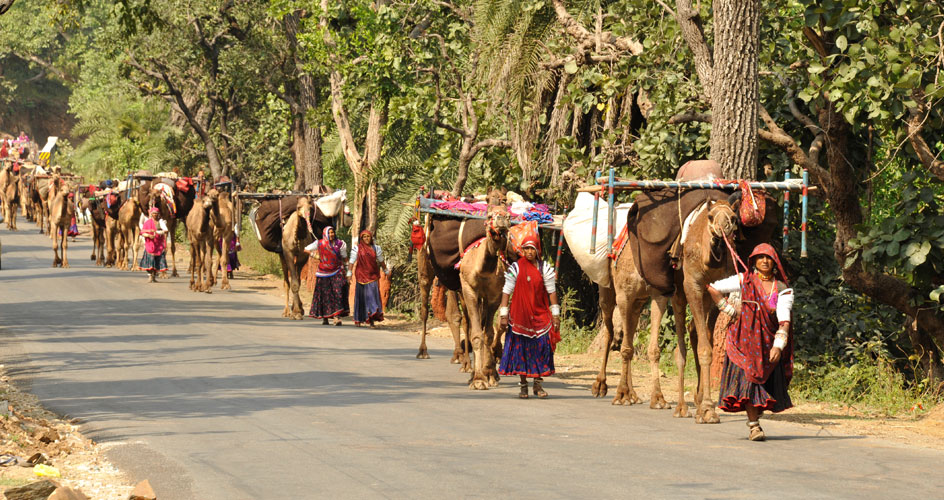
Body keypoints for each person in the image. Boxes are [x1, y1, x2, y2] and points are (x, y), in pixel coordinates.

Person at [707, 243, 794, 441]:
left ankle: (755, 414)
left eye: (768, 257)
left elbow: (784, 322)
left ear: (774, 262)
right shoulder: (743, 280)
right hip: (742, 343)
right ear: (753, 261)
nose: (764, 261)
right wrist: (729, 310)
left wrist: (778, 346)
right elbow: (713, 288)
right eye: (760, 257)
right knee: (748, 384)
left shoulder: (782, 289)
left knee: (761, 386)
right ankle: (754, 426)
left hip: (767, 346)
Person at [498, 232, 561, 399]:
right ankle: (524, 386)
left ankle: (538, 385)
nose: (529, 252)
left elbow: (552, 292)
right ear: (522, 251)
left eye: (532, 249)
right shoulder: (515, 268)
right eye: (526, 249)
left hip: (540, 317)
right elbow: (506, 291)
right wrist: (504, 315)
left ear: (537, 251)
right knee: (522, 353)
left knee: (541, 350)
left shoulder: (544, 268)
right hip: (519, 318)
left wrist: (555, 315)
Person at [307, 226, 349, 325]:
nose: (331, 234)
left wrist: (348, 271)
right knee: (325, 296)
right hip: (323, 273)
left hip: (337, 271)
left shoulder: (340, 244)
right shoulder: (319, 243)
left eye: (332, 232)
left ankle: (336, 317)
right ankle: (325, 318)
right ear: (325, 233)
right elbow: (306, 249)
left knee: (338, 293)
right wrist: (316, 256)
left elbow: (345, 258)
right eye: (329, 233)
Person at [349, 230, 387, 327]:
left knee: (372, 299)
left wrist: (386, 270)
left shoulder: (376, 248)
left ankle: (371, 321)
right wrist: (349, 273)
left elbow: (381, 260)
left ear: (371, 238)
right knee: (361, 299)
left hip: (372, 276)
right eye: (364, 237)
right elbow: (352, 261)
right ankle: (359, 319)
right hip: (361, 276)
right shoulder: (357, 249)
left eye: (368, 237)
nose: (366, 239)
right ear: (361, 239)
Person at [139, 207, 169, 282]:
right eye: (153, 213)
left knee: (157, 261)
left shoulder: (161, 222)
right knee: (150, 261)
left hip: (159, 244)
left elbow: (165, 231)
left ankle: (154, 276)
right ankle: (150, 276)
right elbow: (142, 232)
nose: (155, 215)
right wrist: (149, 235)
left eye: (156, 213)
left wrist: (160, 232)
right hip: (150, 244)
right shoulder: (147, 223)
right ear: (151, 214)